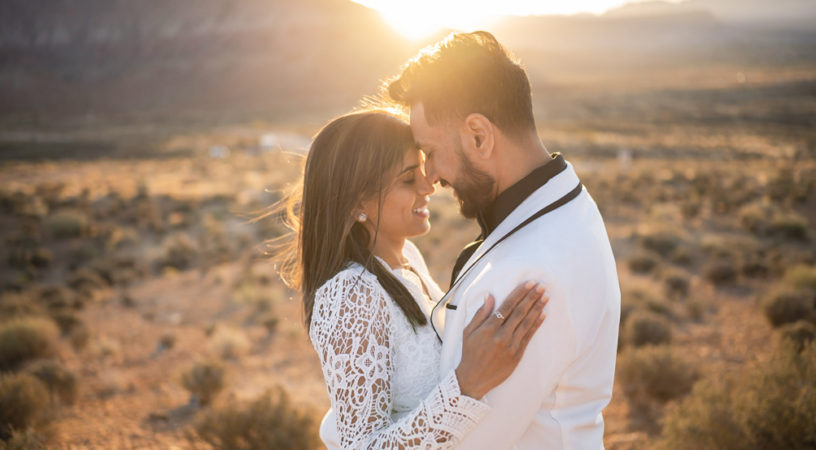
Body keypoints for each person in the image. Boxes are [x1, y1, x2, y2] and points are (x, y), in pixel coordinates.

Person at [385, 31, 621, 449]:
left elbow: (462, 444)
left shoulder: (522, 282)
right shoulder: (568, 203)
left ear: (479, 135)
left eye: (430, 151)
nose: (430, 176)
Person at [274, 109, 550, 449]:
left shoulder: (408, 262)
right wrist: (467, 384)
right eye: (408, 179)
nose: (428, 185)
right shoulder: (351, 294)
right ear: (355, 201)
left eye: (422, 169)